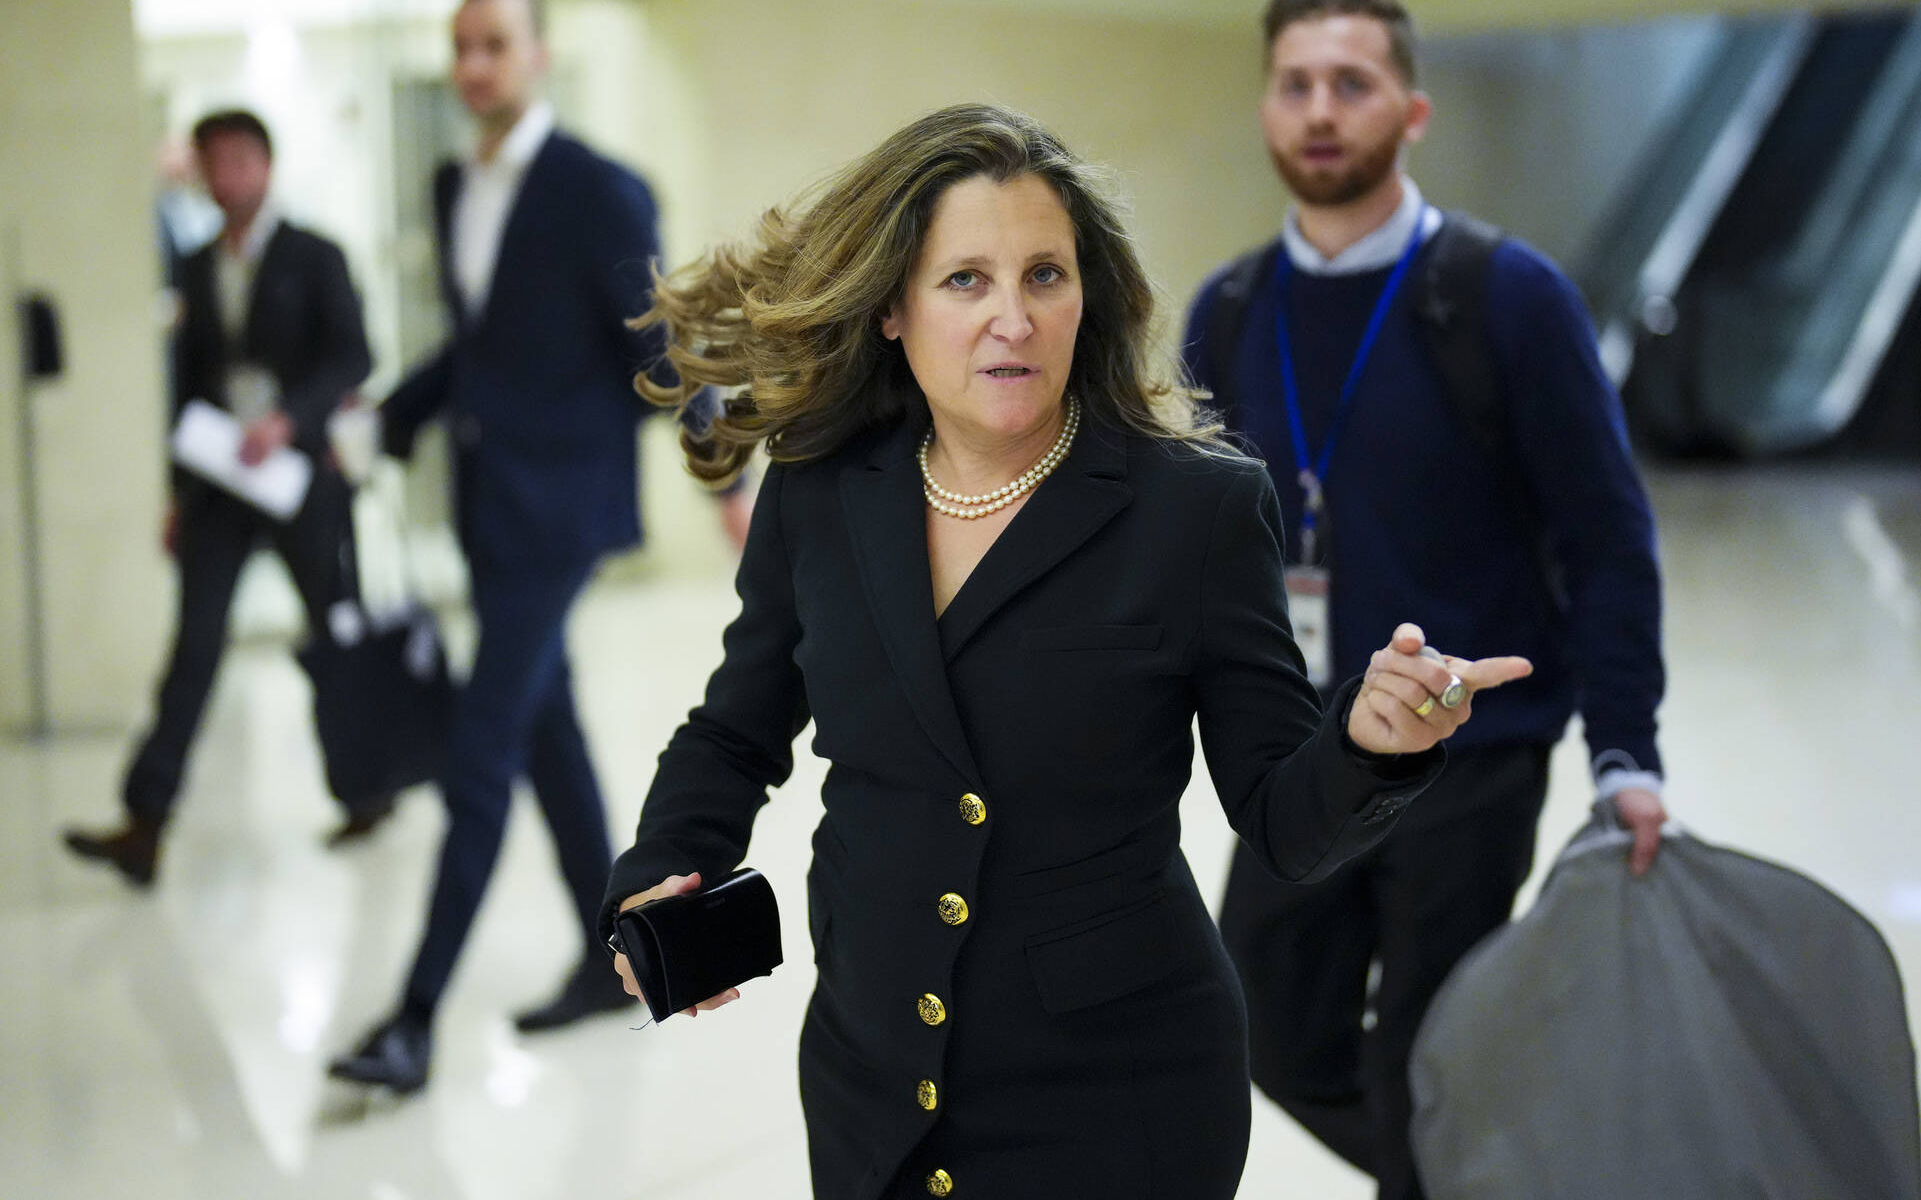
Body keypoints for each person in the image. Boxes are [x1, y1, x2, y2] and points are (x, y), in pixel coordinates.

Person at [599, 103, 1533, 1200]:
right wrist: (657, 868)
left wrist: (1372, 741)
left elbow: (1282, 818)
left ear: (1087, 297)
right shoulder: (823, 488)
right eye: (966, 281)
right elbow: (734, 724)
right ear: (893, 308)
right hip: (874, 1080)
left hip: (1117, 1096)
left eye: (1045, 274)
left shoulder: (1194, 508)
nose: (1013, 317)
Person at [1183, 0, 1671, 1199]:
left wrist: (1625, 749)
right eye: (1294, 84)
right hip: (1305, 756)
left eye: (1351, 82)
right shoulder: (1230, 312)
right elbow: (1188, 553)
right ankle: (1468, 1174)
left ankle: (1437, 1166)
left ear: (1411, 110)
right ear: (1264, 109)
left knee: (1424, 1053)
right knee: (1264, 1024)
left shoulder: (1505, 296)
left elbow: (1606, 537)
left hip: (1470, 752)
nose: (1319, 110)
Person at [327, 0, 734, 1092]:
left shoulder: (598, 189)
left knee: (478, 755)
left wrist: (719, 471)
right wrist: (384, 422)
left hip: (560, 511)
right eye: (460, 47)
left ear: (537, 55)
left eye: (494, 45)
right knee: (549, 742)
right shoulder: (455, 180)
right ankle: (636, 959)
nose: (474, 67)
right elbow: (479, 345)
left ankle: (412, 1020)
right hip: (487, 506)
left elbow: (656, 340)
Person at [63, 109, 377, 886]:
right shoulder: (197, 264)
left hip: (300, 477)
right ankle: (146, 820)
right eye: (214, 163)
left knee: (329, 637)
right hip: (221, 483)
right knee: (195, 646)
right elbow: (189, 382)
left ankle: (368, 786)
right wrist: (178, 491)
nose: (229, 176)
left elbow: (353, 354)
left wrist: (291, 419)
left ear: (266, 166)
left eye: (242, 160)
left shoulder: (315, 255)